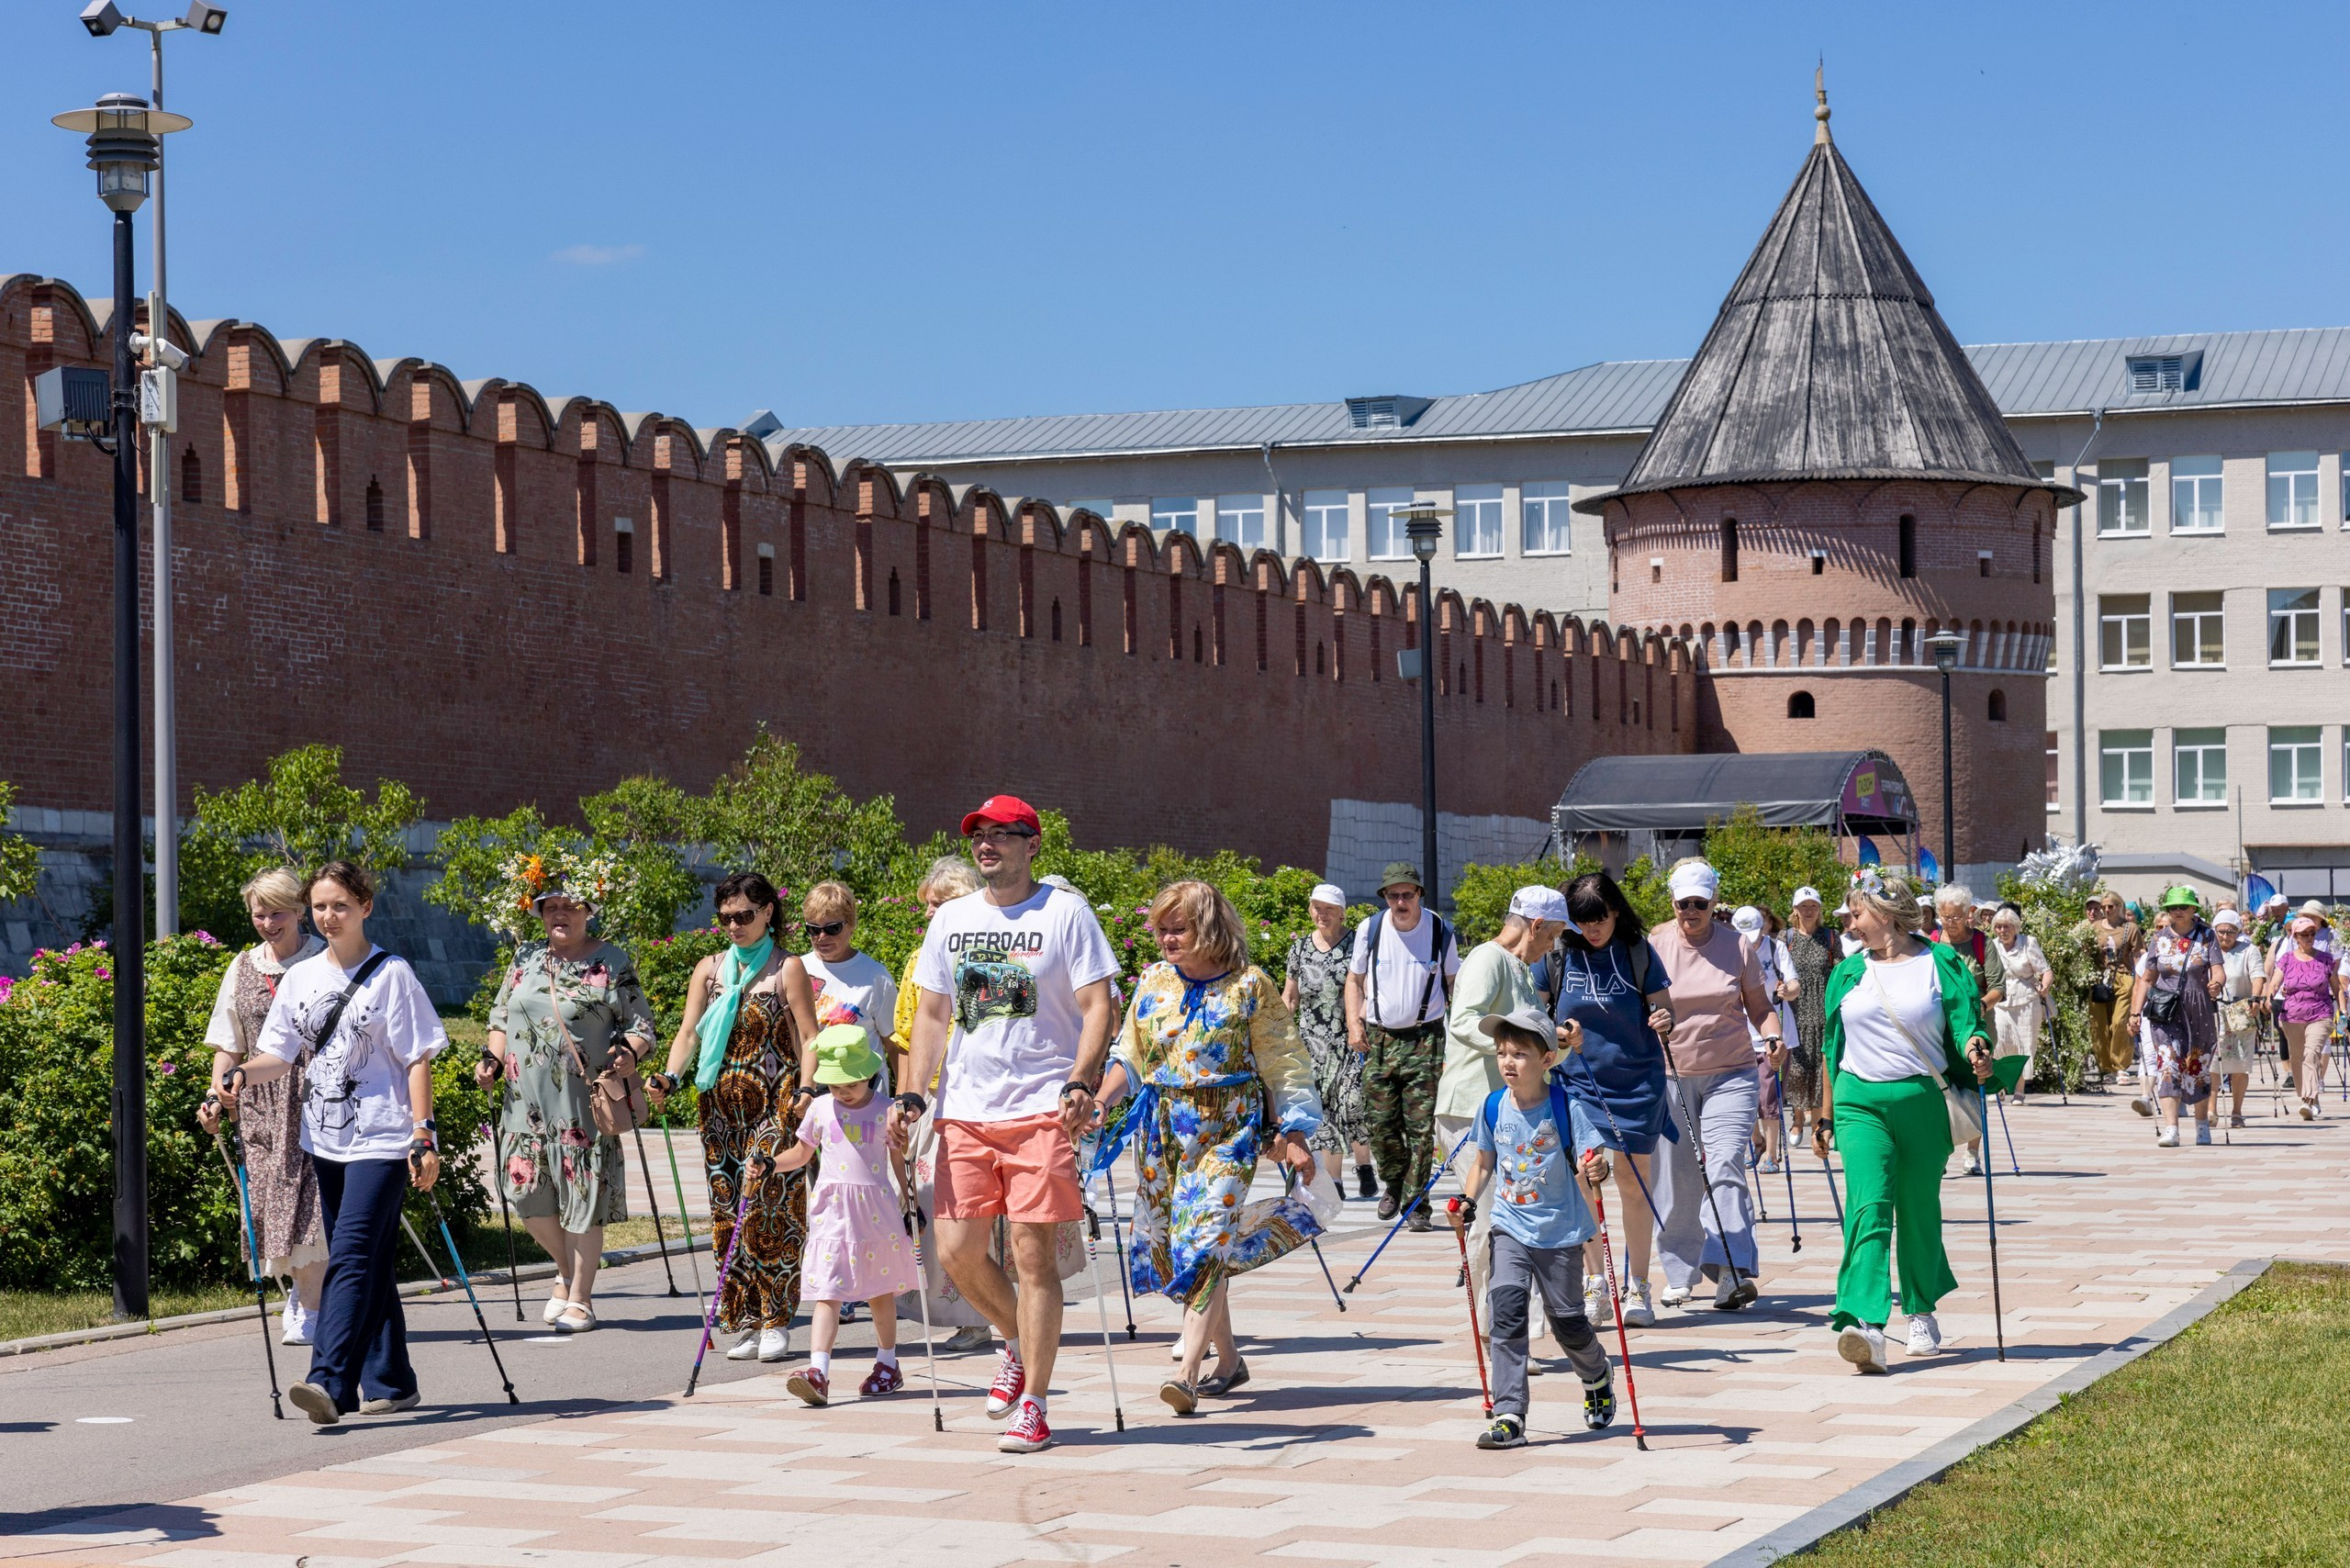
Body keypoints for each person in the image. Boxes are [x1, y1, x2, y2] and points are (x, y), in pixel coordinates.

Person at [891, 793, 1119, 1455]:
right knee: (956, 1253)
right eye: (979, 836)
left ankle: (1037, 1405)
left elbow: (1097, 1004)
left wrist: (1081, 1079)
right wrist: (913, 1096)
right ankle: (1017, 1343)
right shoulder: (952, 920)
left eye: (1002, 834)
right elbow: (932, 1017)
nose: (987, 844)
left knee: (1030, 1257)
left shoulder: (1065, 912)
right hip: (966, 1109)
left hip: (1041, 1110)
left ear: (1032, 844)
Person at [217, 861, 450, 1427]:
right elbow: (280, 1053)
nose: (328, 917)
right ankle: (392, 1380)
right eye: (320, 907)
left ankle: (329, 1383)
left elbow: (417, 1056)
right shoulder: (301, 979)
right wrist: (241, 1075)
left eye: (340, 906)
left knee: (347, 1255)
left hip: (384, 1139)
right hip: (324, 1139)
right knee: (368, 1261)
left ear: (365, 908)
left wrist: (424, 1132)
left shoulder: (391, 974)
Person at [1092, 879, 1323, 1416]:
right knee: (1182, 1246)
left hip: (1229, 1131)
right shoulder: (1152, 981)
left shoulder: (1250, 986)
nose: (1166, 939)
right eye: (1162, 929)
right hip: (1163, 1132)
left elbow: (1285, 1063)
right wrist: (1102, 1101)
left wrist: (1293, 1133)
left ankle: (1186, 1374)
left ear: (1210, 928)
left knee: (1205, 1241)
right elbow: (1129, 1055)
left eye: (1179, 928)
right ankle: (1231, 1361)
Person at [1812, 869, 1994, 1373]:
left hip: (1922, 1098)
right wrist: (1825, 1116)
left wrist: (1977, 1047)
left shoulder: (1941, 963)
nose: (1848, 920)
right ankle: (1866, 1323)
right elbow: (1833, 1049)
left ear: (1887, 914)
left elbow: (1966, 1024)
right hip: (1858, 1101)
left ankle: (1920, 1309)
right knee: (1868, 1205)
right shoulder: (1847, 971)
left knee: (1917, 1208)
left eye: (1857, 911)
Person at [646, 871, 821, 1363]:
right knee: (728, 1213)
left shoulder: (787, 969)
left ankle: (776, 1318)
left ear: (768, 912)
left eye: (744, 915)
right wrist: (668, 1076)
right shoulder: (709, 969)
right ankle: (742, 1318)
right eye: (726, 918)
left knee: (771, 1205)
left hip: (775, 1102)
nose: (735, 926)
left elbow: (810, 1037)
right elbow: (688, 1035)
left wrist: (807, 1089)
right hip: (719, 1107)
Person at [475, 879, 655, 1333]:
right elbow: (501, 1018)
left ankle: (580, 1298)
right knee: (525, 1195)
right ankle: (567, 1268)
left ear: (587, 910)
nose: (559, 914)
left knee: (581, 1202)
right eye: (549, 906)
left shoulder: (610, 960)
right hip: (522, 1104)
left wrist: (627, 1055)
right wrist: (491, 1058)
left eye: (569, 906)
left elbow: (642, 1027)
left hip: (581, 1107)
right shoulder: (525, 958)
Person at [1456, 1005, 1617, 1450]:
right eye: (1502, 1053)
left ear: (1547, 1059)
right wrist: (1467, 1201)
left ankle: (1596, 1372)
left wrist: (1597, 1166)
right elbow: (1484, 1161)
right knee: (1505, 1310)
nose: (1508, 1062)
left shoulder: (1566, 1107)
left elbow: (1593, 1158)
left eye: (1520, 1054)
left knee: (1566, 1321)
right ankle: (1509, 1414)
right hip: (1509, 1225)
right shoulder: (1491, 1106)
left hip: (1560, 1232)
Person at [197, 868, 329, 1348]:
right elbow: (228, 1043)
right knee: (272, 1204)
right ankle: (299, 1290)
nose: (269, 923)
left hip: (320, 1098)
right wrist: (217, 1094)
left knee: (314, 1206)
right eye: (260, 913)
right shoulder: (242, 967)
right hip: (261, 1105)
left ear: (299, 912)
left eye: (278, 913)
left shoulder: (326, 960)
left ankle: (309, 1304)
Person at [1650, 860, 1784, 1313]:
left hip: (1732, 1072)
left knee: (1725, 1162)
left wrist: (1773, 1036)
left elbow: (1761, 1006)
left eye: (1699, 904)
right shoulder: (1654, 944)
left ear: (1713, 903)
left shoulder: (1738, 946)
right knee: (1677, 1177)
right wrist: (1653, 1021)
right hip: (1671, 1074)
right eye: (1683, 903)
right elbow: (1635, 1008)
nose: (1691, 911)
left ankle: (1730, 1269)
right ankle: (1678, 1272)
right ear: (1672, 903)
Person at [1549, 870, 1674, 1328]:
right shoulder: (1558, 953)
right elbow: (1535, 1011)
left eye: (1599, 919)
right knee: (1586, 1177)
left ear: (1616, 912)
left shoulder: (1638, 952)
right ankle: (1595, 1284)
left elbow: (1665, 1006)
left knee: (1634, 1183)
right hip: (1578, 1081)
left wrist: (1664, 1018)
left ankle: (1638, 1286)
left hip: (1637, 1081)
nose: (1592, 929)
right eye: (1582, 921)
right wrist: (1556, 1034)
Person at [774, 1025, 923, 1407]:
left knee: (879, 1291)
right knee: (828, 1289)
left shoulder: (885, 1109)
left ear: (868, 1074)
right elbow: (801, 1155)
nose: (843, 1091)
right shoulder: (821, 1108)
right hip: (831, 1214)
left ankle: (888, 1364)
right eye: (836, 1084)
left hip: (875, 1214)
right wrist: (767, 1164)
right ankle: (818, 1371)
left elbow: (897, 1160)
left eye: (851, 1083)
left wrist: (911, 1204)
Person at [1438, 887, 1569, 1305]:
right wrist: (1513, 1044)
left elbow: (1534, 1050)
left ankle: (1512, 1331)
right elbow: (1464, 1022)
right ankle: (1496, 1331)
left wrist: (1562, 1043)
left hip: (1509, 1113)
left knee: (1516, 1220)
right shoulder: (1487, 958)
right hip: (1470, 1109)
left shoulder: (1520, 969)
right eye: (1552, 937)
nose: (1552, 947)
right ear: (1536, 926)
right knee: (1492, 1221)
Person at [892, 857, 995, 1352]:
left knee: (973, 1211)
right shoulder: (919, 960)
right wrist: (905, 1097)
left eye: (939, 905)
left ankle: (983, 1316)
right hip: (932, 1097)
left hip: (983, 1098)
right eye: (927, 906)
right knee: (934, 1205)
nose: (930, 915)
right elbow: (908, 1037)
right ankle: (958, 1311)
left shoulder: (991, 957)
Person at [1345, 862, 1462, 1231]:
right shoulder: (1371, 928)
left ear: (1419, 895)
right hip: (1379, 1039)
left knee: (1421, 1129)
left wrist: (1458, 1037)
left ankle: (1417, 1206)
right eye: (1393, 895)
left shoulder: (1440, 931)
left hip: (1425, 1039)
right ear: (1385, 898)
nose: (1399, 902)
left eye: (1406, 895)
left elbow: (1455, 984)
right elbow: (1354, 979)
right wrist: (1353, 1022)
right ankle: (1393, 1183)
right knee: (1381, 1126)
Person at [1284, 884, 1371, 1200]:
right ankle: (1334, 1180)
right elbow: (1290, 996)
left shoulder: (1355, 946)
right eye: (1317, 908)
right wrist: (1281, 1030)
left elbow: (1365, 987)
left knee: (1352, 1104)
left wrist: (1361, 1022)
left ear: (1341, 913)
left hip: (1349, 1038)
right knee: (1323, 1113)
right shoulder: (1300, 949)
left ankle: (1363, 1164)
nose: (1322, 914)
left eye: (1329, 909)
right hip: (1311, 1043)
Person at [2127, 887, 2222, 1148]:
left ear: (2193, 909)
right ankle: (2172, 1129)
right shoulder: (2158, 939)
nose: (2177, 911)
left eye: (2182, 906)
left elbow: (2218, 970)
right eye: (2172, 907)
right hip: (2166, 1012)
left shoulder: (2206, 936)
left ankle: (2202, 1125)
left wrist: (2216, 984)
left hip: (2199, 1009)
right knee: (2168, 1066)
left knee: (2197, 1067)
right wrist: (2135, 1013)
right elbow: (2146, 979)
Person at [1731, 905, 1799, 1173]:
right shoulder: (1729, 950)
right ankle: (1756, 1142)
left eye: (1756, 934)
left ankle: (1771, 1154)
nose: (1752, 941)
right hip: (1739, 1034)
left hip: (1773, 1035)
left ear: (1765, 927)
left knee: (1769, 1097)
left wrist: (1787, 990)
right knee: (1744, 1097)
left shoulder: (1775, 949)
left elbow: (1794, 985)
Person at [2263, 912, 2345, 1121]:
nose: (2309, 937)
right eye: (2303, 934)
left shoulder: (2326, 959)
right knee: (2298, 1059)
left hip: (2320, 1013)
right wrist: (2268, 996)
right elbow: (2275, 982)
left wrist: (2343, 1011)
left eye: (2312, 933)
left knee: (2311, 1053)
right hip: (2292, 1016)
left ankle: (2308, 1100)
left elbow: (2336, 988)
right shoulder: (2287, 959)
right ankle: (2310, 1099)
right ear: (2295, 937)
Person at [1782, 886, 1837, 1153]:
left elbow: (1840, 970)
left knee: (1819, 1069)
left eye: (1813, 905)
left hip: (1823, 1013)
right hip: (1796, 1014)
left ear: (1819, 909)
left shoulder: (1830, 937)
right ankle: (1796, 1118)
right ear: (1795, 909)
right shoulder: (1786, 937)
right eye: (1803, 906)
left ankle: (1817, 1125)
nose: (1808, 910)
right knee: (1797, 1069)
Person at [1986, 905, 2052, 1103]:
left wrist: (2045, 985)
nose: (2002, 931)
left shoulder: (2028, 943)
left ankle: (2020, 1091)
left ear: (2015, 927)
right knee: (1999, 1042)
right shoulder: (1991, 945)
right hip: (2001, 1000)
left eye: (2006, 927)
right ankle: (1998, 1086)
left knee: (2022, 1045)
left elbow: (2045, 970)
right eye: (1998, 927)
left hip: (2026, 1001)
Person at [2209, 908, 2266, 1127]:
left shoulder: (2248, 950)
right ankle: (2212, 1110)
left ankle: (2237, 1112)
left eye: (2230, 931)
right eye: (2221, 931)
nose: (2225, 936)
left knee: (2241, 1064)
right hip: (2213, 1012)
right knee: (2213, 1062)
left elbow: (2258, 975)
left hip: (2241, 1010)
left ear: (2238, 931)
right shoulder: (2208, 951)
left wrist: (2255, 997)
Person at [2080, 894, 2143, 1083]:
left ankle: (2121, 1065)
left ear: (2119, 906)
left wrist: (2141, 979)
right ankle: (2105, 1067)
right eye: (2104, 907)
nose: (2107, 910)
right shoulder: (2094, 928)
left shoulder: (2130, 928)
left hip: (2123, 977)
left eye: (2111, 906)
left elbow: (2139, 954)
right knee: (2099, 1025)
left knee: (2119, 1022)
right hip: (2099, 979)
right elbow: (2087, 953)